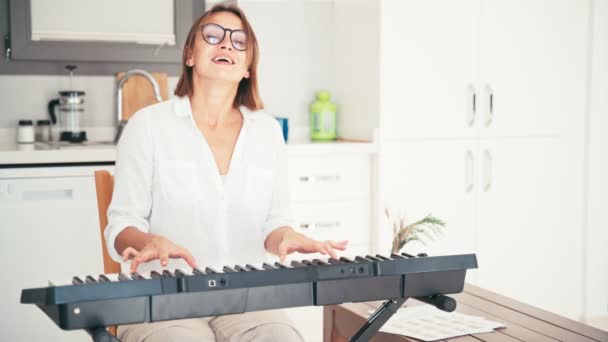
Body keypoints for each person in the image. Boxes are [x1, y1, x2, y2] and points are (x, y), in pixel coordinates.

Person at [104, 4, 348, 342]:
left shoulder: (267, 132)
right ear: (190, 54)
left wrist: (286, 236)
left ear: (248, 67)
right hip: (161, 299)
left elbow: (273, 222)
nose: (226, 45)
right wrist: (147, 241)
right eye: (213, 35)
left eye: (239, 41)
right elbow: (120, 227)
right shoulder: (148, 125)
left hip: (247, 298)